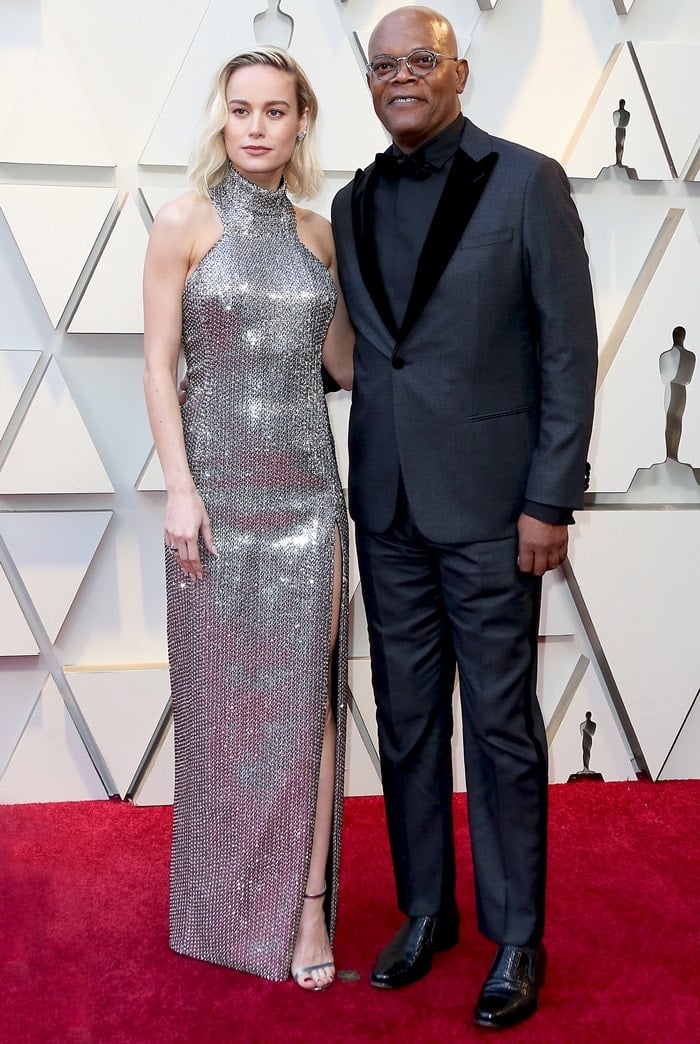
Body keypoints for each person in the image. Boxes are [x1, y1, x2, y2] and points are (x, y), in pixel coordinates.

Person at [331, 5, 597, 1029]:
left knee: (498, 728)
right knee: (403, 722)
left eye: (420, 61)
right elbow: (364, 350)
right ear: (370, 82)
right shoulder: (353, 200)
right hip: (386, 500)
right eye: (384, 64)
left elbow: (567, 353)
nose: (401, 77)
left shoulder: (527, 181)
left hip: (493, 510)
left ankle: (515, 937)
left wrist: (546, 498)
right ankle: (425, 910)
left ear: (458, 71)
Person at [142, 46, 354, 991]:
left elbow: (346, 366)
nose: (257, 126)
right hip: (216, 500)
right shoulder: (185, 222)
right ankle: (221, 905)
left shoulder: (320, 235)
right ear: (222, 119)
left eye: (276, 110)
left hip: (310, 501)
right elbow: (157, 366)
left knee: (307, 711)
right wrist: (179, 488)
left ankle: (306, 909)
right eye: (242, 110)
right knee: (224, 713)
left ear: (301, 121)